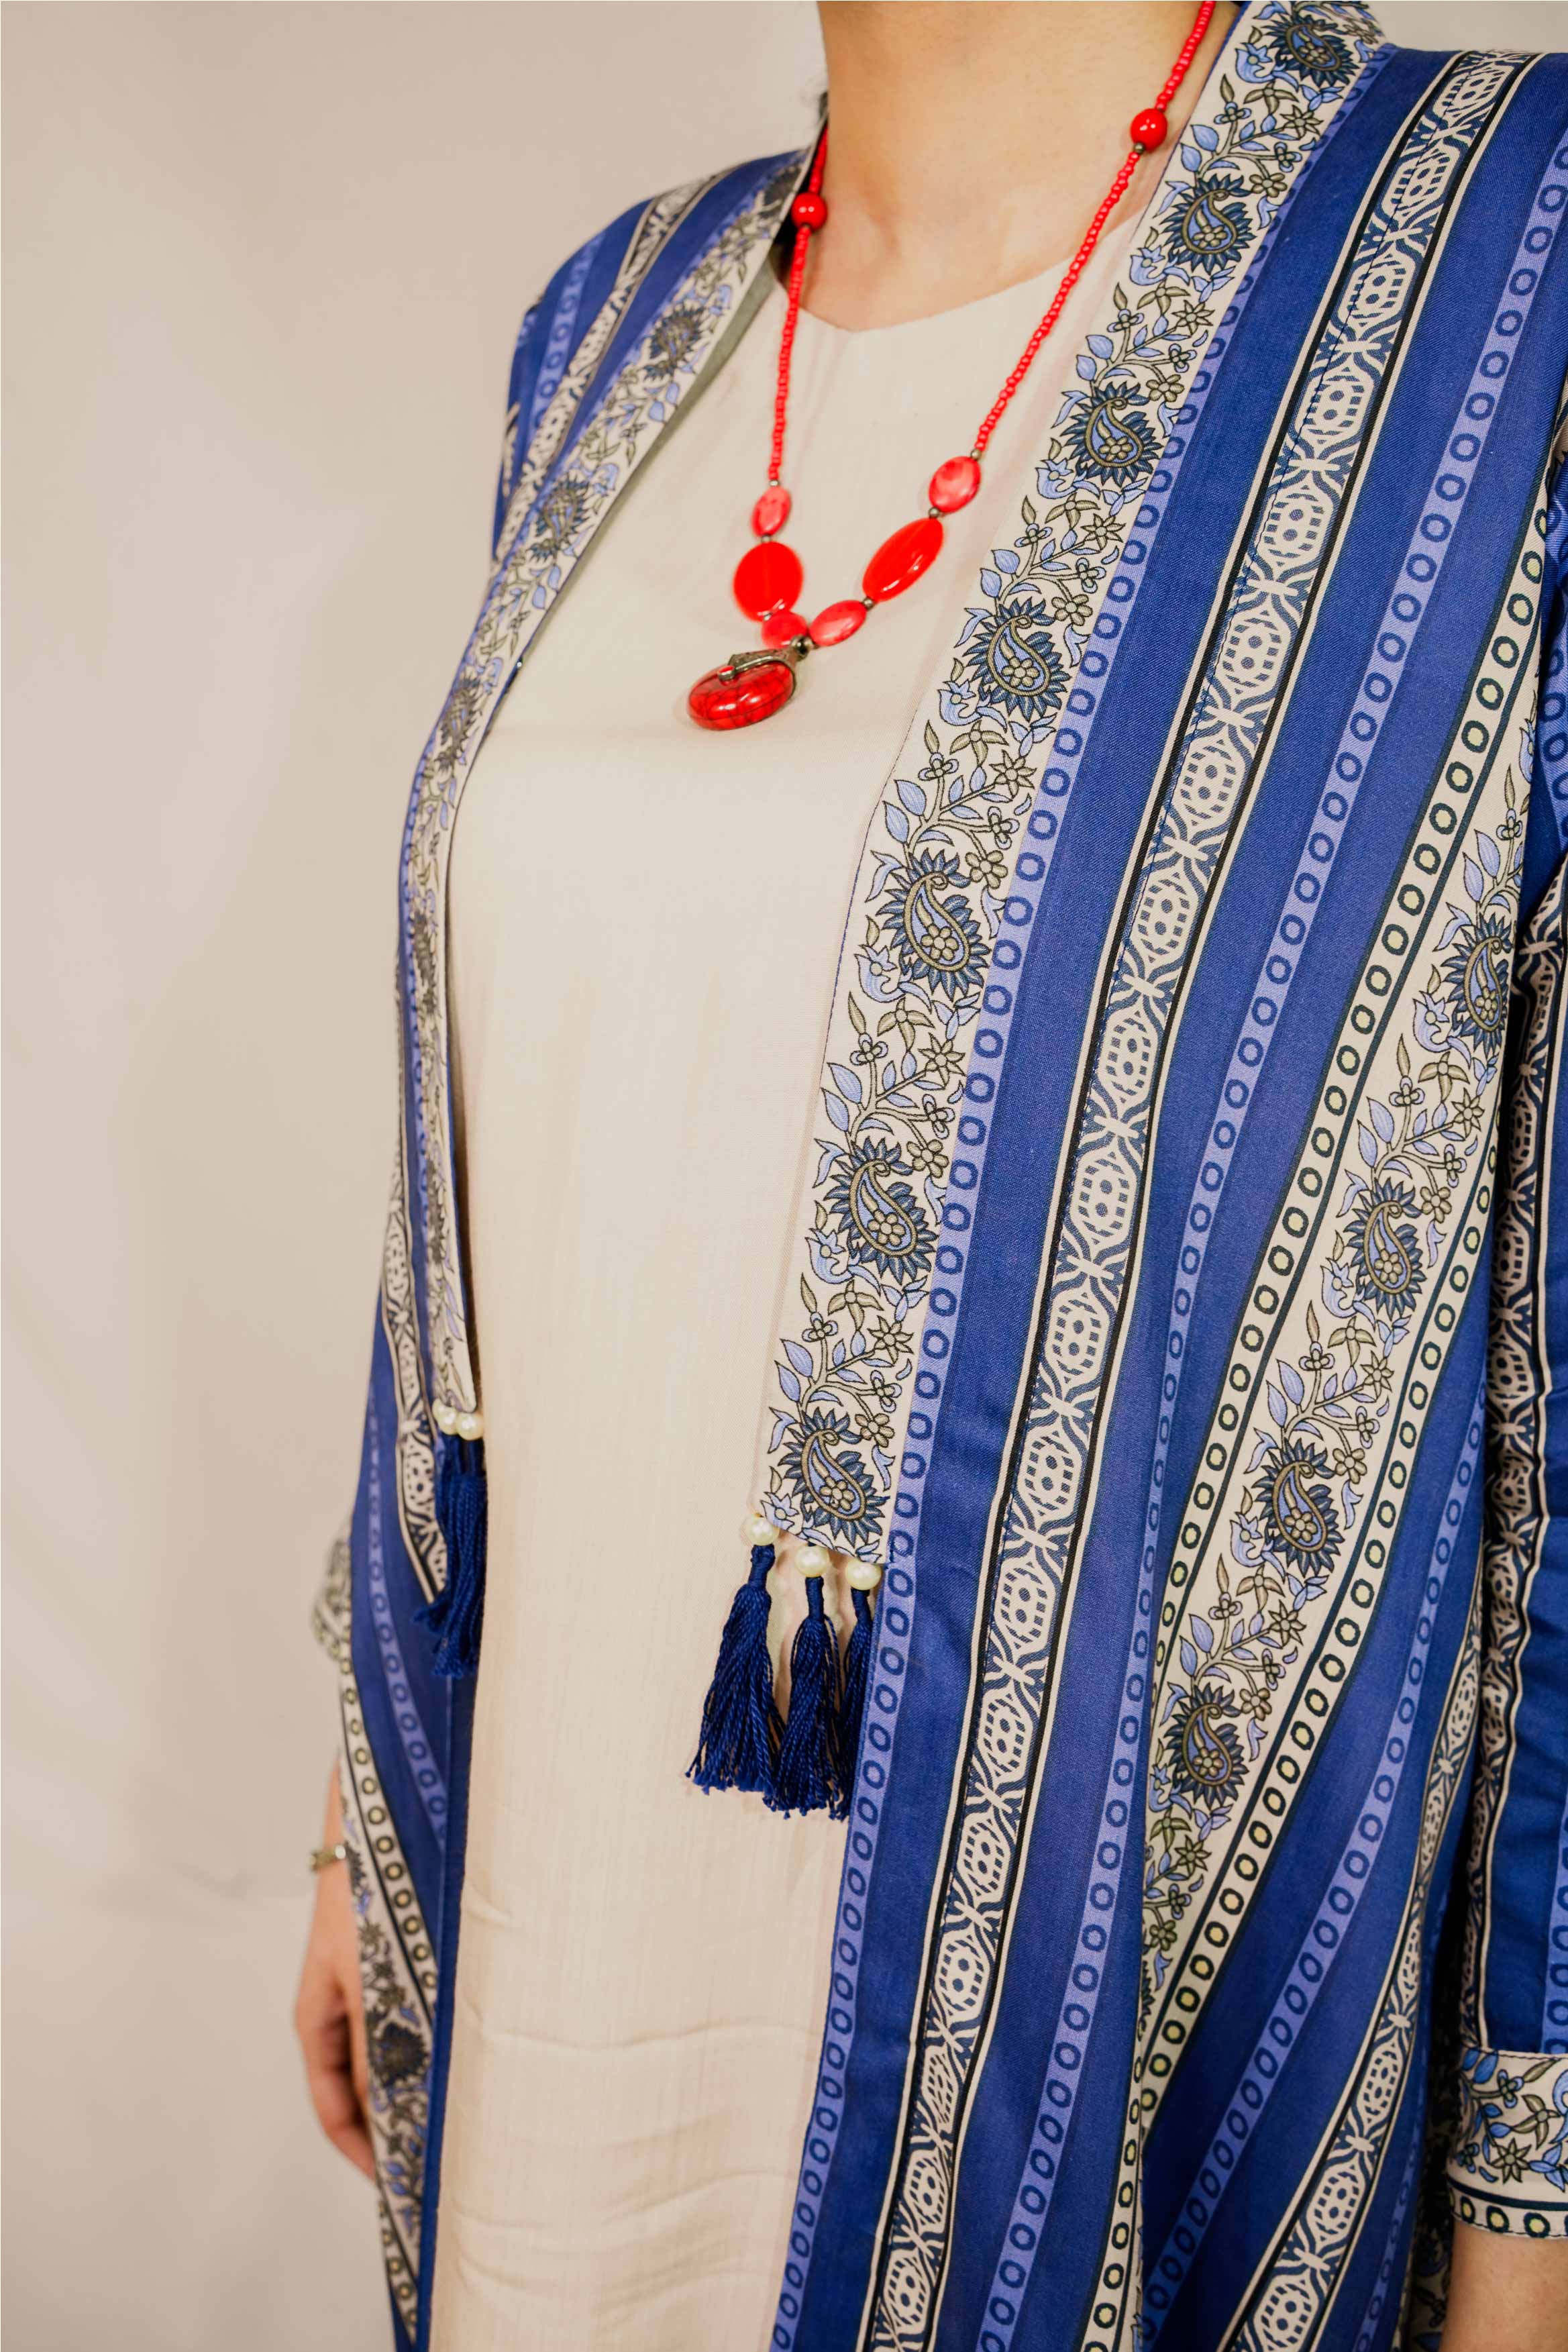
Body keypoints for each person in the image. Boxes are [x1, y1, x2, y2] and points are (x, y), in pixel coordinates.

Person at [293, 3, 1568, 2345]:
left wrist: (1538, 2173)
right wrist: (360, 1820)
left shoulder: (1511, 257)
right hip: (553, 1915)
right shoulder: (610, 326)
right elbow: (517, 1135)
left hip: (1119, 1974)